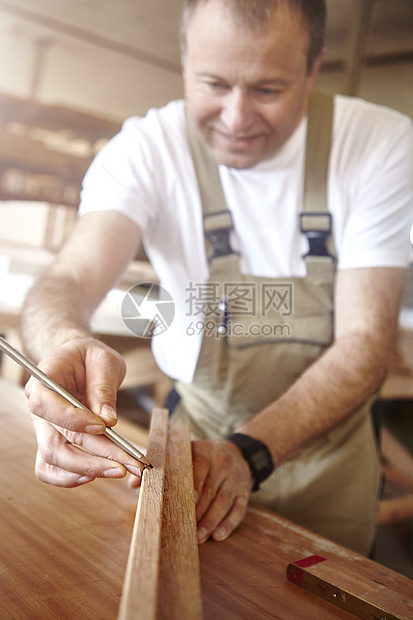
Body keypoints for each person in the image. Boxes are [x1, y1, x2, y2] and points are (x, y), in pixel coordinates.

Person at [21, 0, 413, 556]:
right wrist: (63, 346)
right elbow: (71, 278)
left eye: (268, 90)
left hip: (330, 464)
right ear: (184, 61)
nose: (235, 118)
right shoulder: (147, 151)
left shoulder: (377, 144)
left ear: (314, 66)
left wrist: (248, 453)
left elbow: (367, 341)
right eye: (213, 84)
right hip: (195, 448)